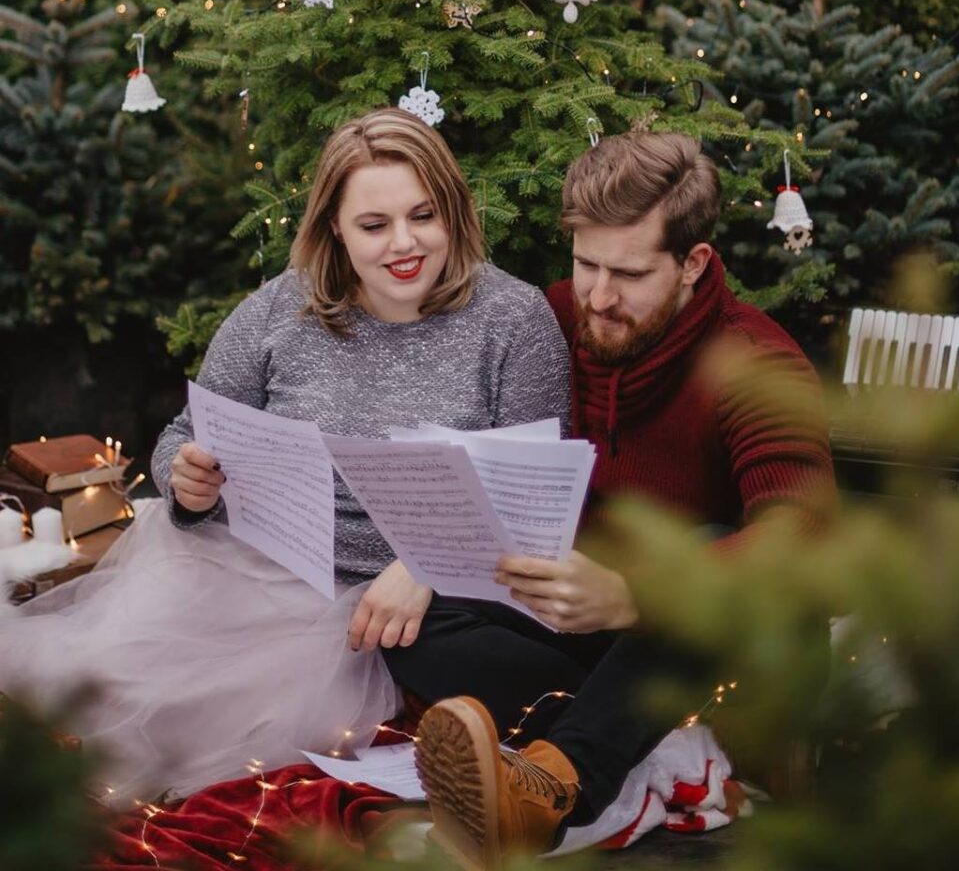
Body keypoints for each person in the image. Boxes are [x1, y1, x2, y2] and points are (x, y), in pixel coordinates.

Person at [0, 108, 570, 807]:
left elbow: (531, 493)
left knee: (239, 723)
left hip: (427, 599)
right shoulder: (282, 310)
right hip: (260, 568)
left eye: (424, 216)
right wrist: (190, 482)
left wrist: (423, 562)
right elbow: (183, 435)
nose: (404, 245)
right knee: (106, 698)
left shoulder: (513, 319)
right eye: (373, 225)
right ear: (334, 224)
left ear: (453, 208)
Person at [392, 131, 837, 869]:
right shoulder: (555, 319)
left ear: (693, 264)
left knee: (703, 543)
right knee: (414, 613)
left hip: (726, 645)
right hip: (598, 637)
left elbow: (804, 534)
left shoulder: (757, 364)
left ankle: (557, 786)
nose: (597, 296)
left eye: (628, 274)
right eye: (585, 263)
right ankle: (644, 741)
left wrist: (639, 595)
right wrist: (421, 559)